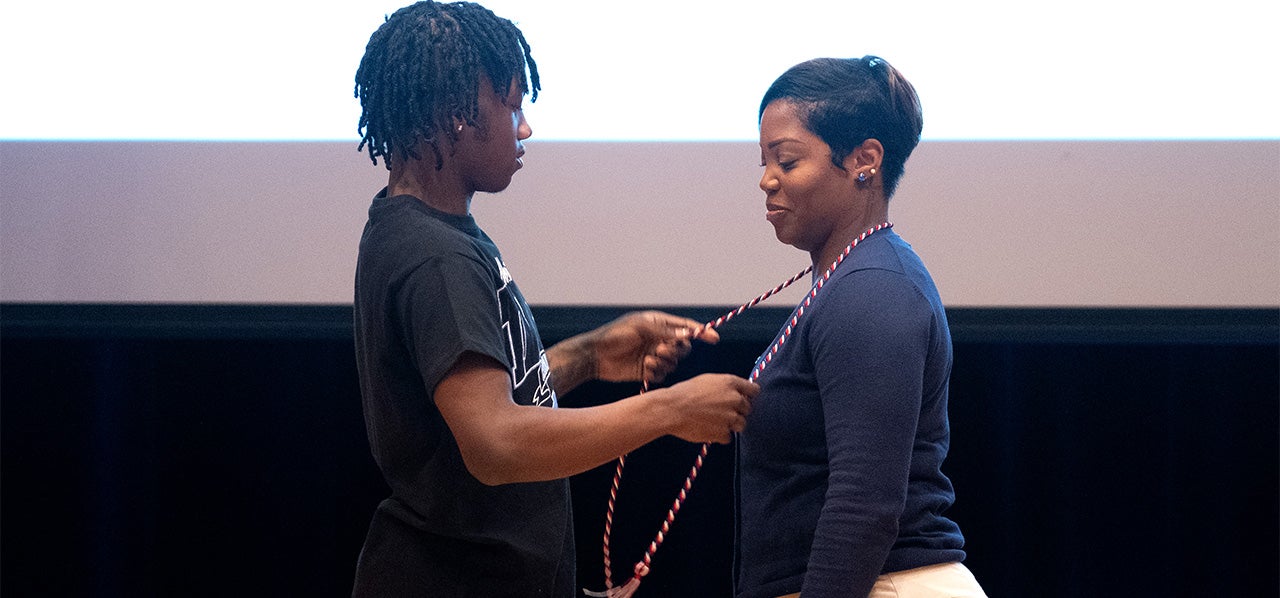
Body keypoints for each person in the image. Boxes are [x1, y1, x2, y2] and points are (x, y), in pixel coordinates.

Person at [348, 2, 758, 596]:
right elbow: (495, 443)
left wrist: (590, 355)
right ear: (454, 114)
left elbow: (472, 407)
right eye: (512, 104)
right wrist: (671, 411)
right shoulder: (436, 258)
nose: (524, 127)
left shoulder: (416, 230)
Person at [735, 56, 987, 598]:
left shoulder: (873, 288)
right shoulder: (852, 278)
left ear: (864, 161)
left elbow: (864, 506)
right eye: (763, 160)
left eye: (786, 160)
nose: (765, 179)